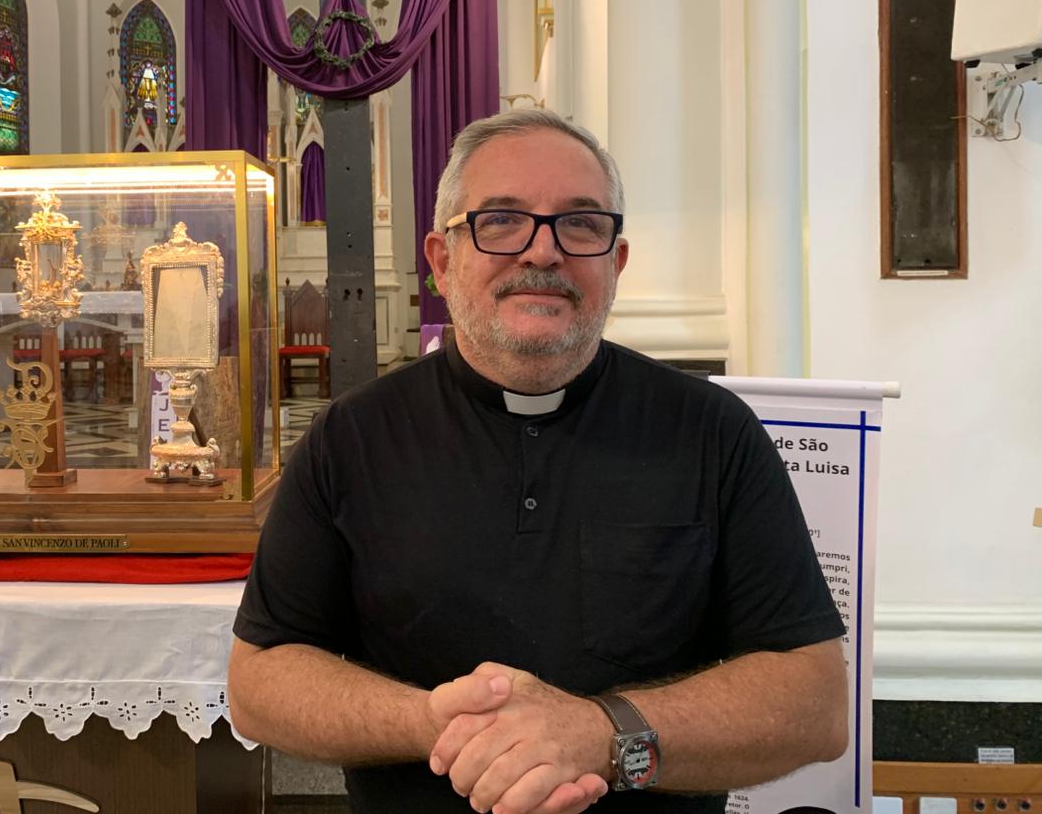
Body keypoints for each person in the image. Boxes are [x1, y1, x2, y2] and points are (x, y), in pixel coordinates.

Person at [229, 109, 848, 814]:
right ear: (442, 261)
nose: (543, 252)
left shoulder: (714, 432)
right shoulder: (351, 437)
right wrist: (439, 724)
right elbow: (259, 682)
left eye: (580, 224)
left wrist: (602, 735)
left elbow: (815, 701)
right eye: (500, 220)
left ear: (615, 263)